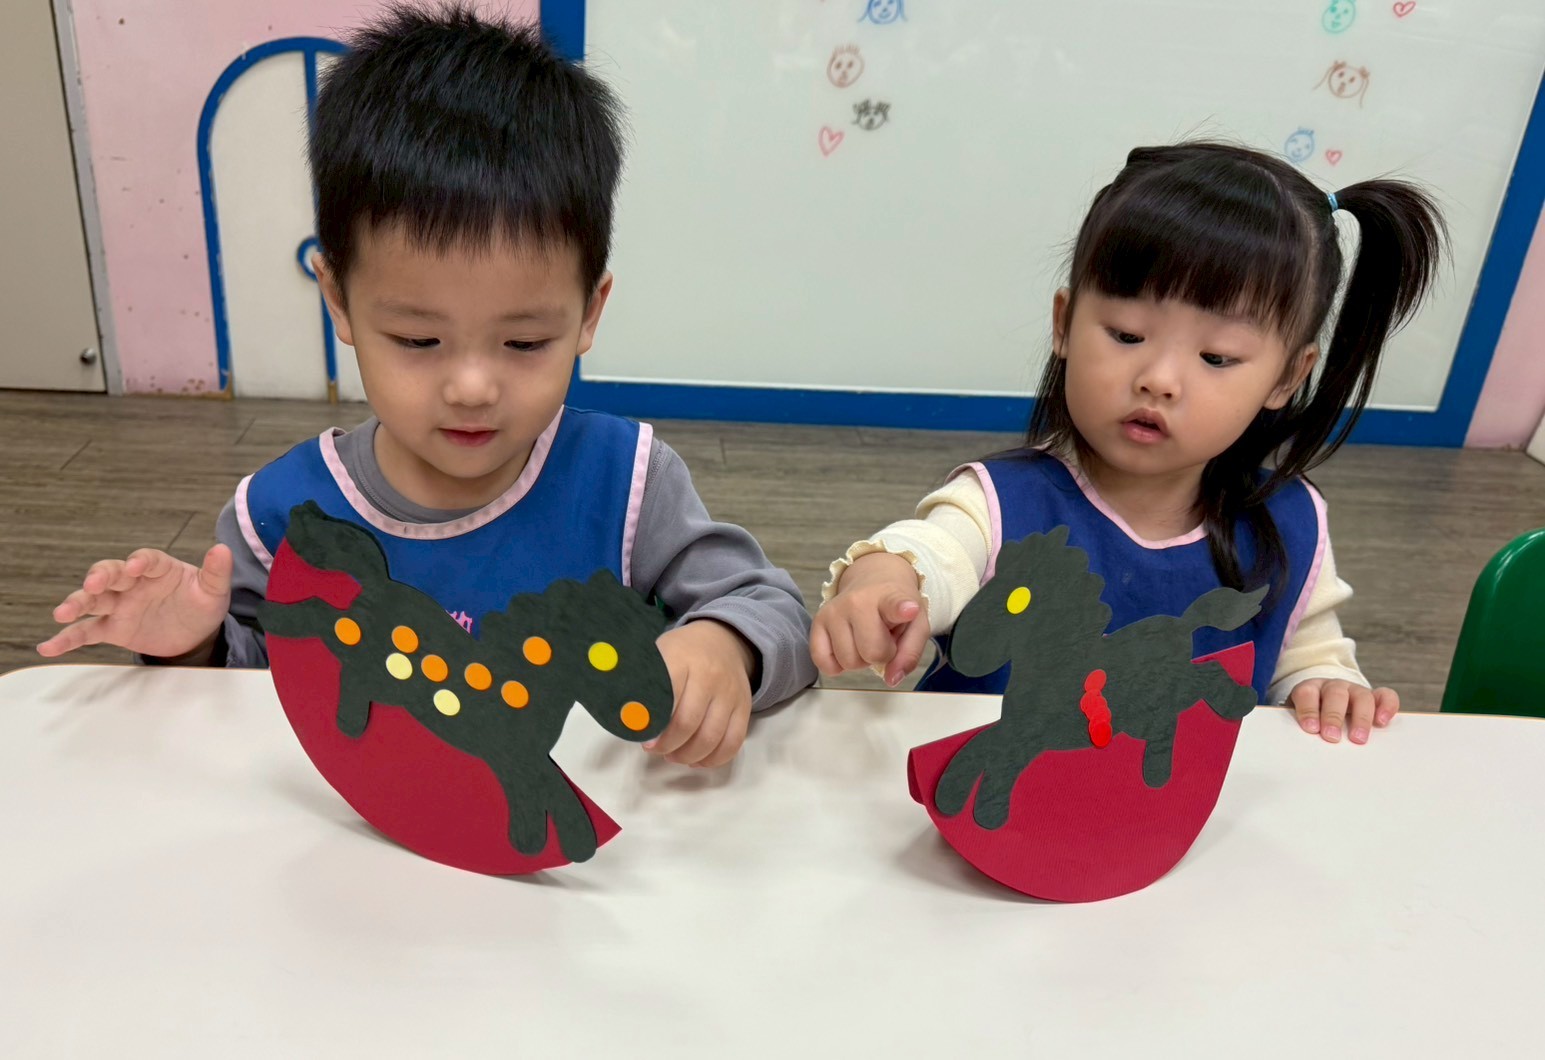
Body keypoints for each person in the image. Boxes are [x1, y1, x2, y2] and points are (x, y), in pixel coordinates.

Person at [40, 5, 817, 769]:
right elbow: (257, 697)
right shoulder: (280, 518)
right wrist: (194, 646)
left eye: (524, 342)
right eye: (418, 341)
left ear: (589, 312)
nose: (472, 387)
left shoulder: (628, 485)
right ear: (339, 299)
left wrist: (724, 645)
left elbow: (774, 610)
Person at [812, 141, 1445, 746]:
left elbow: (1304, 651)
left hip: (1174, 808)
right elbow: (931, 555)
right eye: (1127, 335)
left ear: (1287, 377)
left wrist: (1325, 685)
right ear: (1065, 324)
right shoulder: (1000, 504)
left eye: (1216, 357)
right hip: (993, 792)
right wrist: (883, 580)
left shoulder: (1288, 521)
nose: (1159, 379)